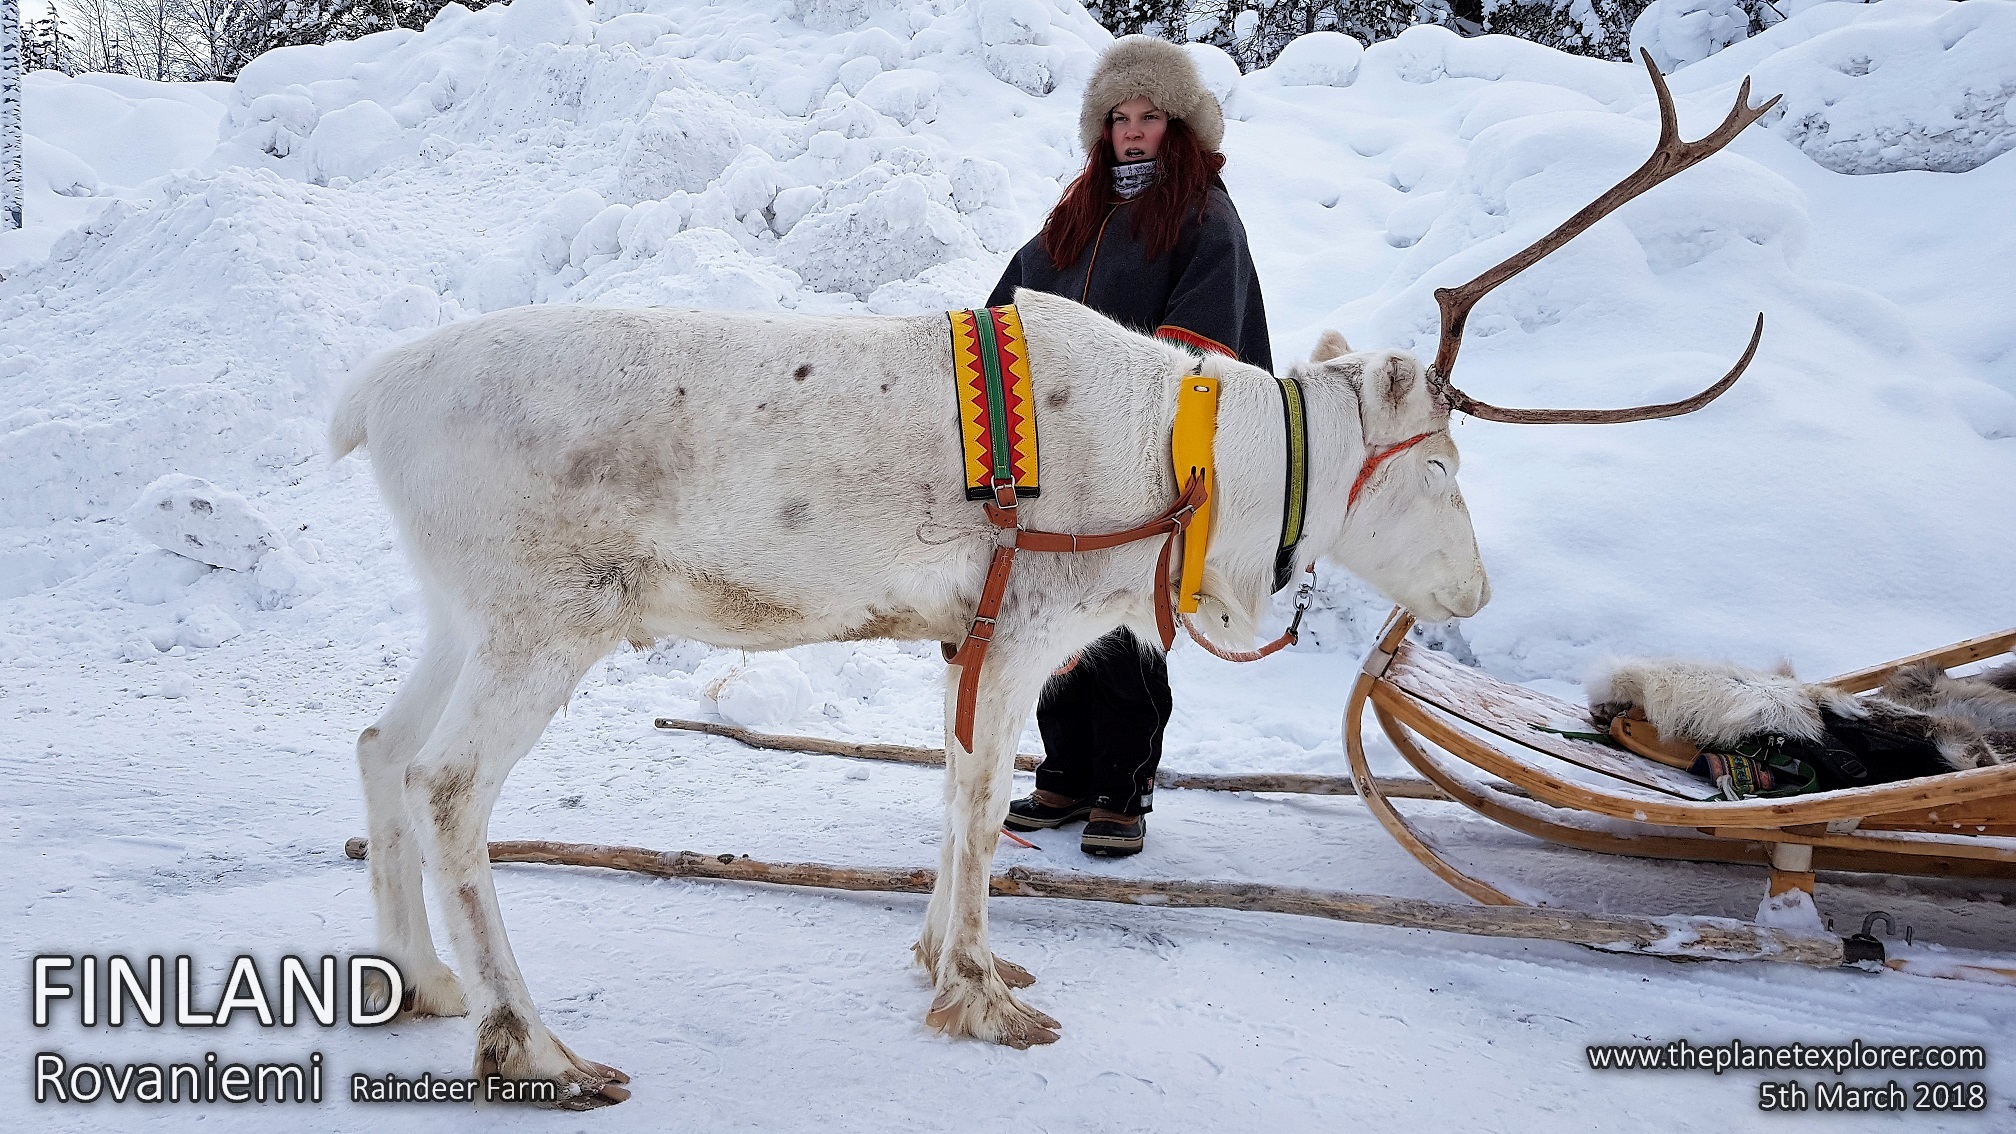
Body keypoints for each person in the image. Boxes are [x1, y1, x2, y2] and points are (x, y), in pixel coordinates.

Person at [992, 36, 1272, 857]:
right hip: (1062, 457)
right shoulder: (1077, 216)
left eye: (1150, 115)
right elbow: (1011, 309)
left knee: (1123, 615)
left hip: (1147, 460)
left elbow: (1204, 353)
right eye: (1120, 117)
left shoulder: (1204, 219)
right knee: (1054, 613)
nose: (1134, 131)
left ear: (1178, 124)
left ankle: (1125, 785)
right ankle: (1067, 773)